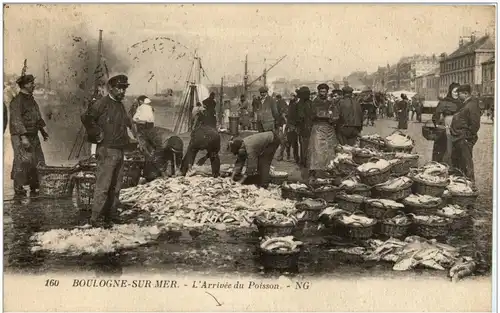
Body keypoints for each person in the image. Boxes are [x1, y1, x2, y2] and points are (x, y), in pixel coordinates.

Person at [81, 74, 137, 228]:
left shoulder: (120, 105)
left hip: (119, 150)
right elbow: (87, 118)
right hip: (106, 150)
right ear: (111, 88)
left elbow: (126, 122)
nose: (122, 91)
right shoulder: (102, 103)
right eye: (119, 88)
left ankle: (110, 215)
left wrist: (132, 135)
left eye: (124, 88)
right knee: (103, 186)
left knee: (116, 186)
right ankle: (96, 218)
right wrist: (97, 134)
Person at [9, 74, 49, 197]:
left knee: (37, 160)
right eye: (31, 83)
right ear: (25, 85)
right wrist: (23, 137)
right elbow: (16, 120)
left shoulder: (31, 100)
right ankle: (18, 187)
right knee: (23, 161)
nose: (33, 85)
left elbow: (37, 117)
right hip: (21, 136)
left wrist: (42, 132)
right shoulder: (17, 101)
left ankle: (34, 184)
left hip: (33, 134)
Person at [450, 84, 481, 182]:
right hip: (459, 138)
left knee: (466, 163)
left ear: (465, 93)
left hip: (464, 139)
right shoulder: (466, 103)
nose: (458, 96)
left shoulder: (472, 105)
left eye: (459, 94)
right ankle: (462, 183)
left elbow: (475, 124)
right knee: (460, 163)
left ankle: (470, 184)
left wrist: (466, 137)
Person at [307, 83, 339, 179]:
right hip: (318, 127)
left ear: (327, 92)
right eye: (321, 91)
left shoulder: (330, 103)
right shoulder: (314, 103)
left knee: (330, 149)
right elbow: (312, 115)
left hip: (329, 128)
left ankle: (329, 169)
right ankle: (313, 171)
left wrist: (333, 118)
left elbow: (336, 115)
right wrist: (325, 114)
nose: (323, 93)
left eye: (324, 91)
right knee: (316, 150)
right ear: (318, 92)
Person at [431, 82, 461, 166]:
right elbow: (435, 116)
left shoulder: (462, 103)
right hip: (447, 129)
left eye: (458, 92)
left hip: (459, 129)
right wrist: (438, 125)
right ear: (450, 91)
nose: (456, 94)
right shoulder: (444, 102)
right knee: (447, 150)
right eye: (455, 92)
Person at [295, 86, 313, 167]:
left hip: (304, 128)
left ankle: (304, 161)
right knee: (306, 145)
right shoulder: (310, 103)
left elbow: (300, 117)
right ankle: (305, 162)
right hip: (308, 127)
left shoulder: (300, 104)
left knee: (304, 145)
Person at [281, 92, 300, 163]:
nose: (291, 98)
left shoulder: (296, 105)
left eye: (292, 96)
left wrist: (294, 126)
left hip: (293, 126)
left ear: (295, 97)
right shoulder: (290, 105)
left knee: (294, 143)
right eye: (290, 96)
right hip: (289, 125)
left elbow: (296, 116)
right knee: (288, 142)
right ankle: (289, 156)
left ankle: (296, 158)